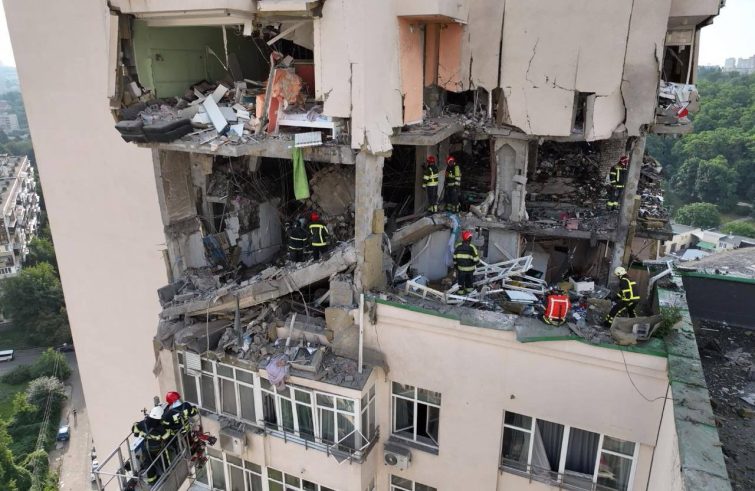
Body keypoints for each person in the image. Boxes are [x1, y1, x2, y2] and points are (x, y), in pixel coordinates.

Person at [132, 405, 172, 485]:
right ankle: (167, 471)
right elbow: (166, 436)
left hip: (146, 448)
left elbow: (135, 429)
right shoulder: (160, 427)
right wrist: (168, 429)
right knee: (164, 458)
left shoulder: (143, 424)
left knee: (149, 463)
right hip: (158, 448)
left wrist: (137, 429)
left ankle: (152, 480)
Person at [453, 230, 480, 295]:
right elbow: (476, 260)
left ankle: (460, 292)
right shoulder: (472, 247)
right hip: (470, 269)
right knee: (469, 281)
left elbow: (454, 258)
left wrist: (456, 266)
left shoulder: (458, 246)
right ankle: (469, 292)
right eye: (470, 237)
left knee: (461, 281)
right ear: (469, 238)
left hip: (461, 269)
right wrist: (475, 263)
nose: (471, 238)